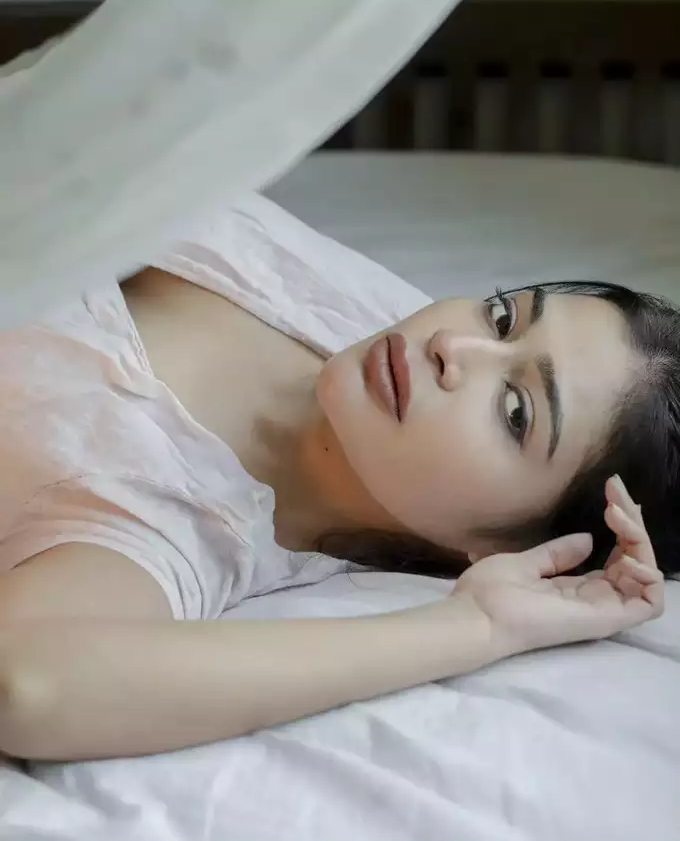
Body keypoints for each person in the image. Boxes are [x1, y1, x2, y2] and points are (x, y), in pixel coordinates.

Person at [0, 196, 673, 763]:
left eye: (516, 411)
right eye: (505, 317)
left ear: (508, 548)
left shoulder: (163, 516)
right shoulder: (372, 321)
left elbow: (29, 684)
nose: (454, 347)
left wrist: (478, 626)